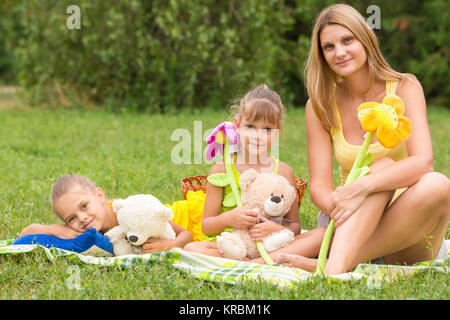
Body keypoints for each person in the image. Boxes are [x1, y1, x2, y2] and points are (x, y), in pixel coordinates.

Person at [276, 4, 449, 274]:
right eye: (329, 46)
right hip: (351, 221)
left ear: (365, 39)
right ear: (321, 55)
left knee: (437, 183)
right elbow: (320, 187)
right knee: (379, 166)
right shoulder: (319, 105)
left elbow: (423, 162)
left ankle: (332, 265)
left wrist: (364, 186)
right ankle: (337, 263)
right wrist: (343, 201)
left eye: (347, 40)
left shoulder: (405, 87)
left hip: (409, 231)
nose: (340, 52)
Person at [184, 84, 326, 260]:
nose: (257, 136)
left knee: (323, 235)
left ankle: (257, 262)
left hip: (271, 244)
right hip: (230, 246)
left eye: (267, 129)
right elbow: (207, 226)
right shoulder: (221, 169)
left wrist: (277, 229)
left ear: (277, 132)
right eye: (250, 126)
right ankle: (261, 262)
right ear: (237, 125)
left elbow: (295, 226)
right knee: (192, 248)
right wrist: (229, 218)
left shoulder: (283, 171)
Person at [19, 173, 193, 253]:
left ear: (99, 196)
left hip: (182, 216)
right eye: (71, 218)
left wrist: (172, 245)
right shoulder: (82, 229)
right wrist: (54, 229)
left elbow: (186, 234)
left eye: (84, 206)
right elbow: (24, 234)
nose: (82, 218)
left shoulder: (130, 212)